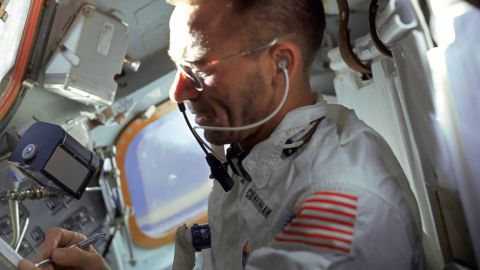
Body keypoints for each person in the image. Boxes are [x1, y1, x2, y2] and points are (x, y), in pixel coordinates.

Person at [18, 0, 425, 269]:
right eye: (176, 68)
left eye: (197, 68)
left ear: (278, 65)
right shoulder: (259, 149)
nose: (177, 91)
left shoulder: (341, 212)